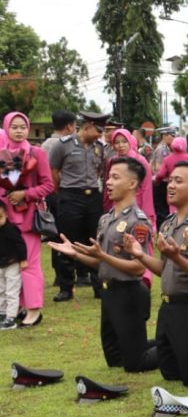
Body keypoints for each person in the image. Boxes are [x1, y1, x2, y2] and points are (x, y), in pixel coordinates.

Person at [127, 161, 188, 387]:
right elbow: (165, 269)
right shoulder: (169, 224)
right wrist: (140, 255)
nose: (170, 185)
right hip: (170, 309)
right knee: (171, 373)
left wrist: (177, 258)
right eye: (170, 180)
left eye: (178, 181)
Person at [50, 157, 156, 370]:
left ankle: (173, 346)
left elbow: (138, 268)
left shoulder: (137, 221)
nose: (108, 182)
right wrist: (75, 254)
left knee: (135, 363)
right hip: (109, 292)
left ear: (132, 183)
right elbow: (102, 264)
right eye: (109, 177)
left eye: (115, 177)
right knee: (114, 359)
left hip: (129, 293)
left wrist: (103, 257)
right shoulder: (106, 219)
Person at [0, 111, 53, 326]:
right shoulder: (2, 153)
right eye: (14, 127)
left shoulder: (36, 152)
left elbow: (48, 185)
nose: (19, 131)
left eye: (23, 127)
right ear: (6, 128)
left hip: (28, 218)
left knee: (28, 265)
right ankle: (18, 307)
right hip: (5, 220)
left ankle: (34, 309)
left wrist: (25, 194)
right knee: (10, 265)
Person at [50, 110, 108, 302]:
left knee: (95, 240)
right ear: (87, 127)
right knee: (67, 239)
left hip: (93, 197)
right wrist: (62, 193)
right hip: (70, 196)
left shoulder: (99, 147)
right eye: (98, 131)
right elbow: (54, 172)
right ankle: (66, 287)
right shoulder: (63, 145)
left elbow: (99, 171)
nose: (100, 135)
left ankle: (98, 286)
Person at [41, 110, 76, 292]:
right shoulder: (64, 144)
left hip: (51, 194)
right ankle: (70, 275)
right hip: (61, 192)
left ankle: (59, 275)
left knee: (56, 234)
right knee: (66, 234)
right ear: (69, 126)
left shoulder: (45, 144)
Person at [0, 203, 27, 330]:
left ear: (6, 215)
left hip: (12, 264)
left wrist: (23, 259)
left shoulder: (10, 229)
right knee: (1, 290)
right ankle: (2, 313)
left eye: (0, 217)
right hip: (1, 265)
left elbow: (20, 244)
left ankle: (11, 317)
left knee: (12, 291)